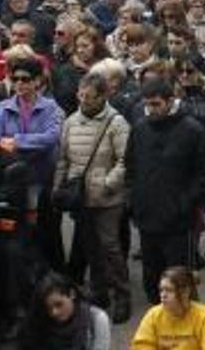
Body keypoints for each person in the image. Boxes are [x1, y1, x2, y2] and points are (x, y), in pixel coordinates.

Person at [125, 77, 205, 305]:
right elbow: (130, 167)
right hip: (147, 217)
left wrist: (185, 203)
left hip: (178, 221)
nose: (151, 110)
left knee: (179, 281)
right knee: (152, 279)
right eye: (147, 104)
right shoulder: (139, 129)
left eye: (156, 104)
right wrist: (134, 201)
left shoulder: (193, 130)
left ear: (170, 101)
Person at [51, 73, 132, 323]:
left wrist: (108, 183)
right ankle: (99, 292)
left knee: (110, 247)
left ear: (103, 96)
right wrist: (58, 188)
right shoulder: (71, 122)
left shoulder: (116, 123)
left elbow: (125, 159)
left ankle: (122, 295)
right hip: (80, 197)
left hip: (107, 198)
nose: (83, 101)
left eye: (89, 97)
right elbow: (63, 159)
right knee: (90, 247)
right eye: (81, 95)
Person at [0, 57, 65, 270]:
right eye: (14, 78)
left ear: (38, 81)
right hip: (12, 181)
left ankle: (52, 275)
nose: (19, 83)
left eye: (25, 79)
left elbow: (51, 138)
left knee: (46, 233)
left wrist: (16, 141)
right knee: (18, 232)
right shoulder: (3, 108)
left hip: (42, 180)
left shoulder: (51, 107)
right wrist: (25, 143)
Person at [132, 266, 205, 349]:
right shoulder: (153, 315)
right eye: (161, 290)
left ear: (185, 292)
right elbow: (141, 345)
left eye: (169, 290)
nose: (163, 295)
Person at [19, 272, 110, 350]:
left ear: (72, 294)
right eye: (48, 308)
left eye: (59, 304)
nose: (54, 313)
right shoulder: (40, 321)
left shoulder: (96, 319)